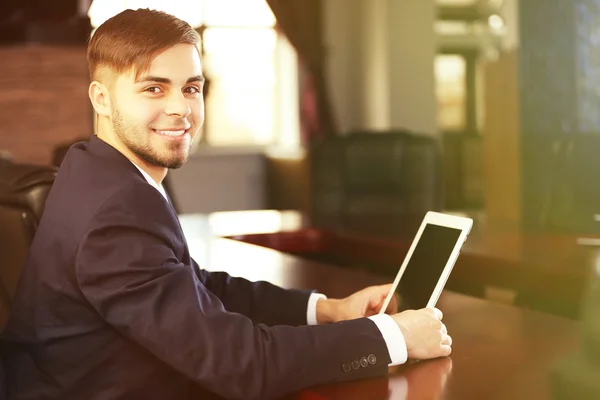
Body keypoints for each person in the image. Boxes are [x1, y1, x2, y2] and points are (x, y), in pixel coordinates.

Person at [1, 9, 451, 400]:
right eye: (154, 89)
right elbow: (244, 367)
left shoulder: (92, 170)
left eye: (191, 88)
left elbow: (196, 285)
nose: (181, 108)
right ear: (101, 98)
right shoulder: (116, 212)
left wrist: (327, 310)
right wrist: (394, 337)